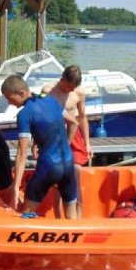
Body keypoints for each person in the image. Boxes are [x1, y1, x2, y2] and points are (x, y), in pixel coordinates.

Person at [1, 75, 78, 219]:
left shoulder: (24, 114)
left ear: (22, 93)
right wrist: (66, 144)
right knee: (71, 216)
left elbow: (21, 154)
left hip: (49, 167)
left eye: (9, 98)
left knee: (27, 213)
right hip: (68, 163)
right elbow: (74, 122)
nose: (9, 103)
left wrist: (16, 189)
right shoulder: (51, 100)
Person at [42, 65, 92, 216]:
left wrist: (88, 143)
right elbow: (42, 118)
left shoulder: (79, 93)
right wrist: (38, 142)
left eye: (73, 88)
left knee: (75, 174)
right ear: (62, 79)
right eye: (68, 87)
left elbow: (82, 118)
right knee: (59, 177)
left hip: (74, 136)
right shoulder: (48, 91)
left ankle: (79, 217)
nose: (69, 91)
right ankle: (59, 218)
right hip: (56, 135)